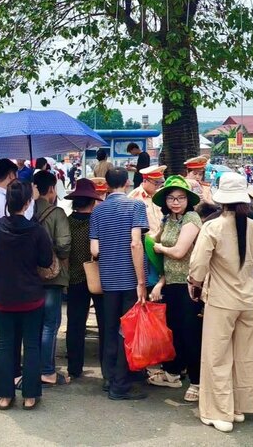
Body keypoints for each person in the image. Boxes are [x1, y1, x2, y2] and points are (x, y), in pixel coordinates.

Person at [189, 172, 253, 433]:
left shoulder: (213, 227)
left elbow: (198, 267)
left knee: (216, 356)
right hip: (248, 300)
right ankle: (238, 408)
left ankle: (218, 412)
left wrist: (195, 284)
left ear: (222, 199)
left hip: (221, 300)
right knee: (245, 356)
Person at [0, 180, 53, 410]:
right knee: (32, 345)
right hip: (31, 297)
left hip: (3, 297)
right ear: (27, 203)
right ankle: (30, 395)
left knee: (5, 345)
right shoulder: (36, 231)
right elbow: (46, 261)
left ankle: (5, 396)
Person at [90, 167, 149, 400]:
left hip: (107, 279)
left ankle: (108, 377)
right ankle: (120, 385)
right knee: (127, 331)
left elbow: (94, 250)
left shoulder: (98, 211)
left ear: (106, 184)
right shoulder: (136, 206)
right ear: (126, 182)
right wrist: (141, 281)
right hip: (130, 279)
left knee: (110, 329)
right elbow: (136, 243)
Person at [147, 176, 203, 403]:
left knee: (191, 334)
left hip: (190, 284)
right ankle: (174, 373)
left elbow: (179, 252)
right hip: (171, 283)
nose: (176, 202)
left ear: (187, 199)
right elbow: (152, 239)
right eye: (171, 198)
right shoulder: (168, 219)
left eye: (180, 198)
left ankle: (197, 382)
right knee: (175, 332)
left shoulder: (192, 217)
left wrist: (159, 247)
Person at [0, 159, 36, 370]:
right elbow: (25, 222)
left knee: (0, 319)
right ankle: (9, 367)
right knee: (6, 324)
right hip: (14, 268)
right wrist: (31, 199)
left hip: (0, 266)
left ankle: (6, 366)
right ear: (11, 176)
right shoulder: (2, 201)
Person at [33, 170, 72, 386]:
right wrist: (56, 255)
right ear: (50, 189)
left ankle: (34, 365)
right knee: (50, 323)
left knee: (35, 324)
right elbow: (65, 244)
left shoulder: (26, 211)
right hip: (52, 276)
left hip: (29, 276)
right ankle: (47, 370)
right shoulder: (56, 213)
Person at [63, 179, 105, 381]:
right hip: (98, 277)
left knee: (75, 324)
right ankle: (107, 367)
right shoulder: (98, 221)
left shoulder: (67, 222)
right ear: (92, 201)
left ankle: (74, 367)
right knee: (104, 323)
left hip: (74, 279)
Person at [128, 165, 166, 237]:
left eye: (160, 183)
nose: (158, 186)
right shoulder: (134, 198)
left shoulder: (160, 195)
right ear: (145, 180)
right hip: (146, 241)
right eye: (156, 183)